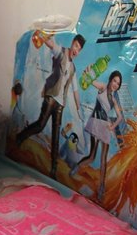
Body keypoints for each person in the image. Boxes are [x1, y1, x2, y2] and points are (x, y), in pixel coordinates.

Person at [15, 33, 85, 178]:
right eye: (76, 46)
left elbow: (75, 90)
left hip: (60, 104)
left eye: (79, 49)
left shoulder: (73, 68)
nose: (76, 50)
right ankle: (20, 137)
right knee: (40, 125)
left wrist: (79, 109)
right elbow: (52, 45)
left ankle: (53, 168)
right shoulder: (61, 52)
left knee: (55, 135)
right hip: (51, 97)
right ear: (72, 43)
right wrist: (43, 35)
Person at [74, 70, 124, 200]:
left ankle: (101, 188)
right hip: (95, 123)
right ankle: (76, 167)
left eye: (118, 83)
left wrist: (112, 126)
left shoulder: (114, 99)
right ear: (110, 79)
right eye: (114, 81)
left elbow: (120, 117)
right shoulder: (103, 87)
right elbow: (91, 81)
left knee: (103, 160)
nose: (115, 84)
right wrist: (88, 73)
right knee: (92, 156)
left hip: (105, 127)